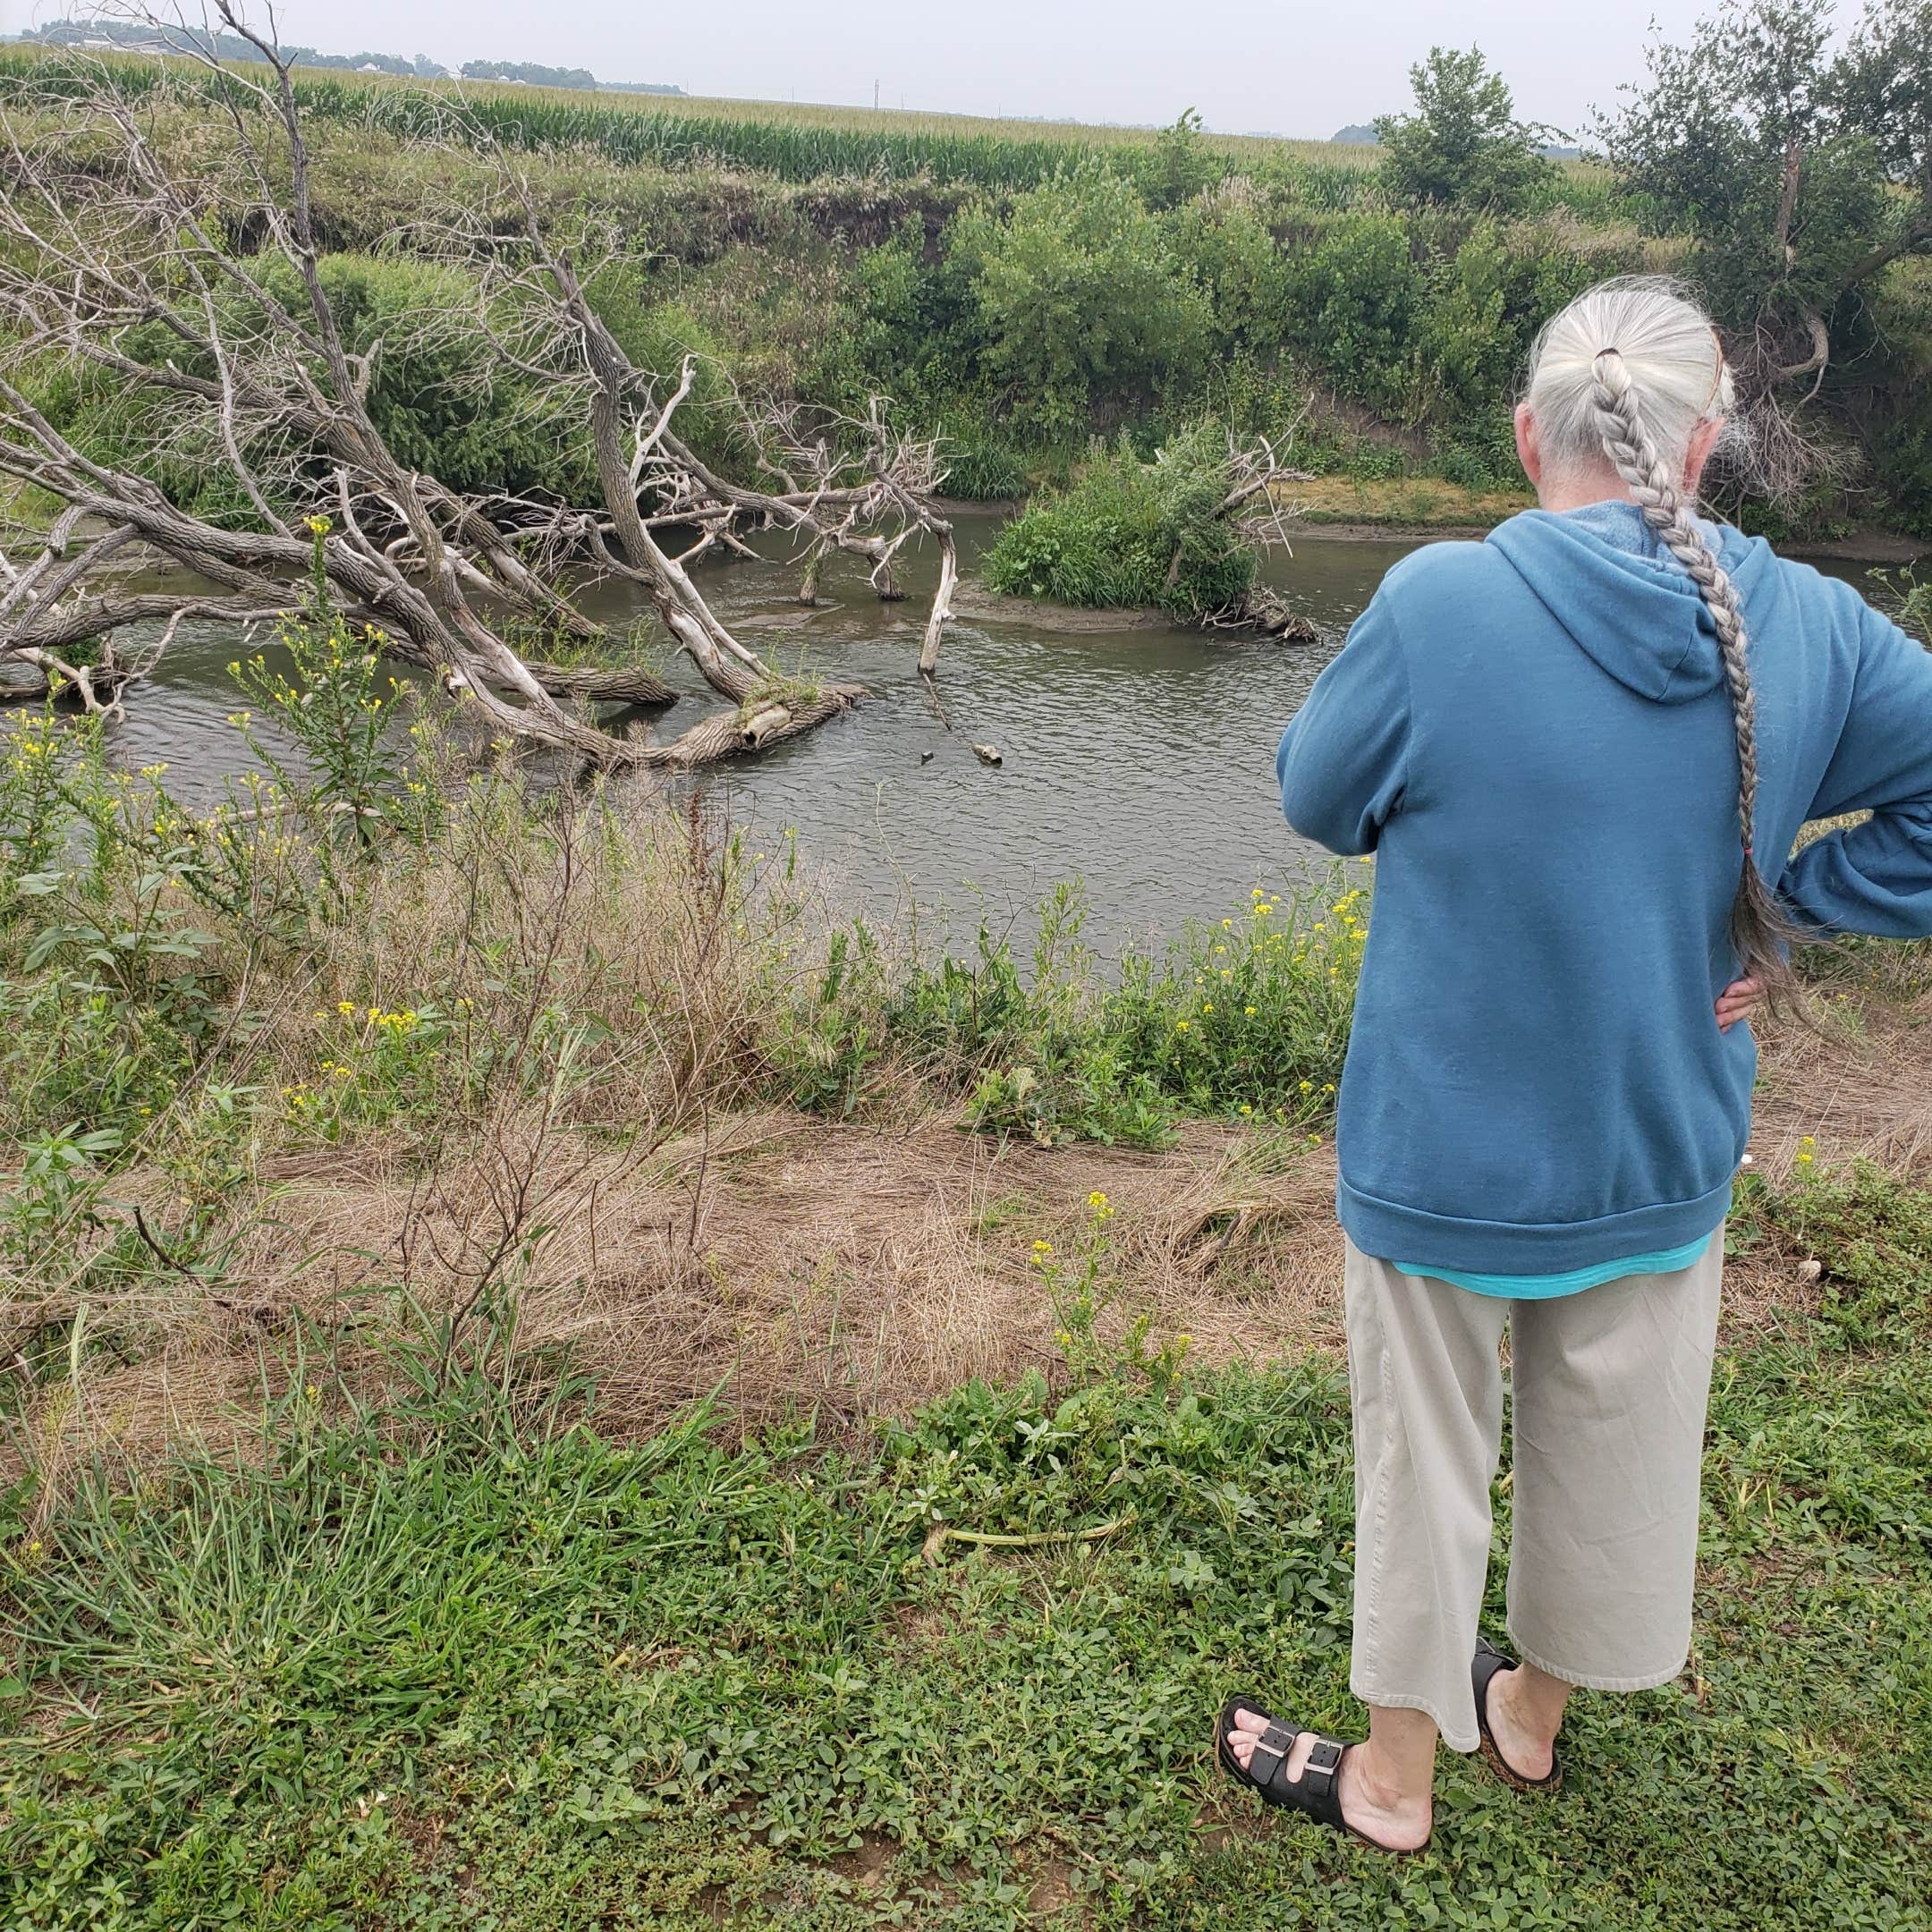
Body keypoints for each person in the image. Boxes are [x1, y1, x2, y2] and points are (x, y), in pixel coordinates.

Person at [1215, 275, 1932, 1853]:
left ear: (1531, 433)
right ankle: (1527, 1717)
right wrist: (1791, 905)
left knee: (1427, 1454)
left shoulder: (1435, 603)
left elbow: (1317, 802)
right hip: (1660, 1135)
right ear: (1708, 443)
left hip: (1443, 1148)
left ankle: (1395, 1780)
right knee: (1623, 1429)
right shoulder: (1809, 623)